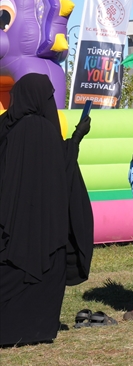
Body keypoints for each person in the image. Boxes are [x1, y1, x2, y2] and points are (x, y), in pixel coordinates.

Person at [0, 73, 93, 347]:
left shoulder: (6, 127)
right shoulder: (41, 130)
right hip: (40, 226)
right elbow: (61, 169)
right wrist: (76, 137)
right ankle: (34, 329)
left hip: (8, 224)